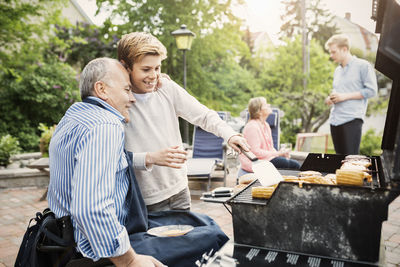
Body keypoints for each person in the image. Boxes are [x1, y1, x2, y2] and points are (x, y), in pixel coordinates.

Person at [47, 57, 228, 266]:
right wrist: (130, 261)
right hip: (94, 250)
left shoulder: (74, 116)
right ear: (102, 89)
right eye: (126, 90)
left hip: (66, 237)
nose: (132, 99)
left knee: (202, 222)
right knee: (212, 236)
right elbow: (90, 209)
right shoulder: (106, 126)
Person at [117, 32, 250, 212]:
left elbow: (203, 115)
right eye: (146, 69)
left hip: (179, 190)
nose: (154, 75)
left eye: (157, 68)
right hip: (144, 199)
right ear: (126, 67)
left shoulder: (167, 88)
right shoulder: (116, 101)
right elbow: (113, 157)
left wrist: (230, 134)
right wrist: (151, 158)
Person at [324, 34, 377, 155]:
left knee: (350, 162)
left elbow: (372, 90)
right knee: (339, 161)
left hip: (352, 120)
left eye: (333, 52)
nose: (331, 56)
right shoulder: (338, 70)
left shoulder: (363, 66)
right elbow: (338, 91)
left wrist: (344, 97)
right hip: (335, 121)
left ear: (344, 49)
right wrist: (331, 98)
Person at [238, 97, 300, 177]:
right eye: (266, 104)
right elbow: (255, 152)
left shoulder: (265, 125)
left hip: (266, 159)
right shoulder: (252, 127)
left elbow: (270, 148)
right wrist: (278, 153)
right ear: (259, 111)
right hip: (255, 162)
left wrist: (280, 154)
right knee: (294, 165)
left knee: (290, 164)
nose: (269, 105)